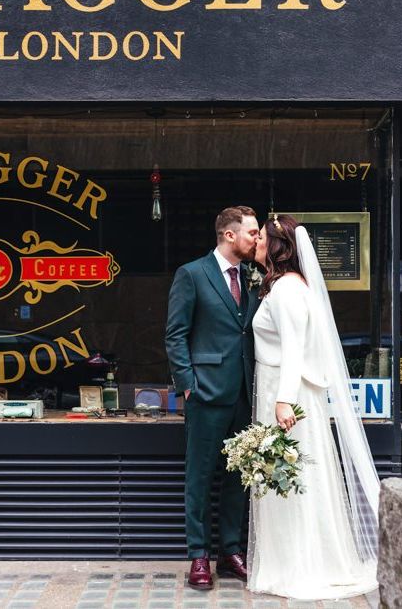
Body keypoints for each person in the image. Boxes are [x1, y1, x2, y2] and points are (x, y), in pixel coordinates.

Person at [248, 213, 379, 600]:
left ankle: (301, 564)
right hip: (281, 390)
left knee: (292, 478)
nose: (254, 242)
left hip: (287, 395)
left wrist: (283, 401)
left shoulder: (287, 290)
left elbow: (292, 350)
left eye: (261, 238)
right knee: (288, 477)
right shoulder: (286, 286)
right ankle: (293, 559)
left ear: (276, 246)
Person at [165, 206, 262, 590]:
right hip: (206, 392)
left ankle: (231, 552)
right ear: (228, 235)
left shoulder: (253, 277)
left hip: (244, 391)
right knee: (200, 477)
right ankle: (198, 555)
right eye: (251, 232)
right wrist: (188, 384)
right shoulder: (191, 274)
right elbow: (176, 334)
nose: (256, 238)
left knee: (239, 476)